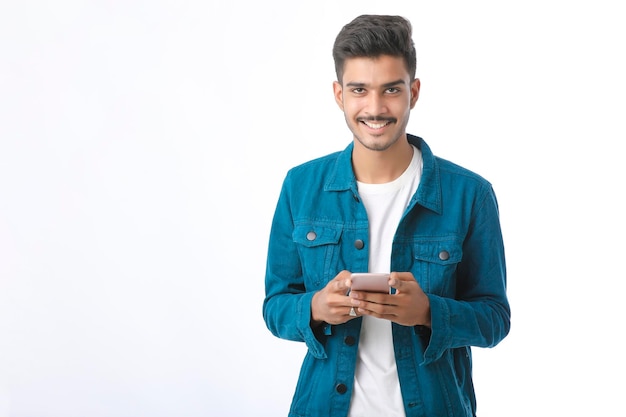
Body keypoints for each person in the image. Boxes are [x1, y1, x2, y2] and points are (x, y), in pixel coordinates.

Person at [262, 14, 510, 417]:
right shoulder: (300, 186)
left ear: (413, 92)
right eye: (359, 90)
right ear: (339, 95)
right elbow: (275, 306)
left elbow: (494, 319)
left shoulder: (471, 194)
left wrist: (429, 312)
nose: (375, 108)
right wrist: (317, 307)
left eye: (390, 89)